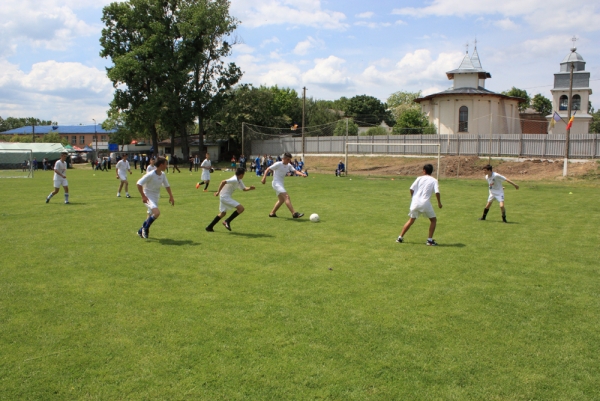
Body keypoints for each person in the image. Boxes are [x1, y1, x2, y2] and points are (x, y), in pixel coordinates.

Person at [397, 164, 442, 246]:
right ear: (431, 171)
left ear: (424, 170)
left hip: (415, 203)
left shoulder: (419, 178)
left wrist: (413, 198)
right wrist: (439, 203)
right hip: (425, 203)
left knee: (411, 220)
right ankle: (429, 240)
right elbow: (437, 192)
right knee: (433, 220)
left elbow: (411, 189)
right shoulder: (434, 180)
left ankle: (400, 237)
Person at [205, 167, 256, 232]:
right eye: (243, 174)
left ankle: (209, 227)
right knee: (241, 208)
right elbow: (223, 182)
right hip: (225, 197)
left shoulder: (239, 180)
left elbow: (244, 189)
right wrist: (218, 192)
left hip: (224, 196)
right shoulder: (234, 179)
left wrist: (250, 188)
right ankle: (227, 221)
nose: (243, 175)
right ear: (241, 174)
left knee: (223, 213)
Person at [136, 157, 174, 239]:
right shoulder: (151, 174)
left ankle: (140, 231)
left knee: (150, 215)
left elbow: (167, 185)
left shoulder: (163, 175)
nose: (166, 166)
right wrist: (143, 196)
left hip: (156, 197)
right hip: (148, 197)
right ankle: (145, 228)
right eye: (165, 164)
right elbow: (139, 184)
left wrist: (171, 196)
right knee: (157, 213)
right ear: (161, 165)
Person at [261, 152, 306, 218]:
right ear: (284, 158)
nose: (289, 161)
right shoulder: (278, 164)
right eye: (288, 159)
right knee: (286, 196)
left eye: (290, 159)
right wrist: (264, 177)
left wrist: (302, 174)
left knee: (281, 200)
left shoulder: (289, 165)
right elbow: (268, 169)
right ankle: (294, 213)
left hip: (280, 184)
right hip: (276, 183)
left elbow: (295, 171)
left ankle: (272, 213)